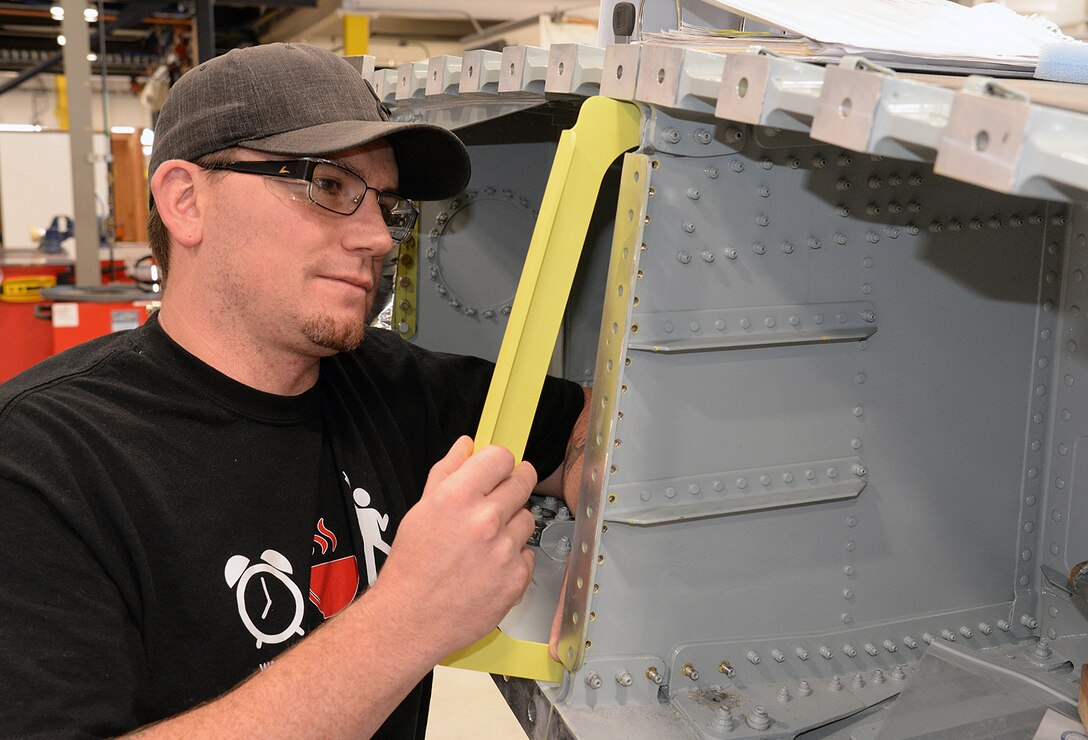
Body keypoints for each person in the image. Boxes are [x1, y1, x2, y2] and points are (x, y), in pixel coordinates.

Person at [0, 43, 588, 739]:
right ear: (186, 202)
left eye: (388, 206)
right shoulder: (42, 461)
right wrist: (407, 619)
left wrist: (599, 539)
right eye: (327, 185)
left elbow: (585, 431)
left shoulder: (392, 387)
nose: (376, 237)